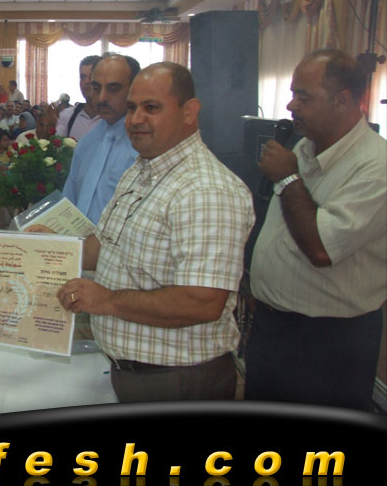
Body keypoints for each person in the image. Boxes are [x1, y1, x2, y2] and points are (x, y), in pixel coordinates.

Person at [47, 61, 254, 403]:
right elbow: (107, 244)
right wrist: (52, 249)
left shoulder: (206, 190)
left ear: (189, 112)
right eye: (132, 108)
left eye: (152, 108)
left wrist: (106, 300)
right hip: (136, 373)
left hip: (177, 380)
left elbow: (201, 302)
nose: (136, 119)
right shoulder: (142, 169)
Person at [244, 49, 387, 411]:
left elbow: (321, 249)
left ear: (343, 100)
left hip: (329, 343)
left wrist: (288, 177)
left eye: (303, 97)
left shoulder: (376, 166)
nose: (291, 105)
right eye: (293, 93)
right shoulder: (304, 147)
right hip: (273, 329)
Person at [62, 54, 139, 224]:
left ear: (134, 90)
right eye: (96, 88)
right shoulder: (86, 143)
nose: (102, 97)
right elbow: (69, 204)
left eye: (113, 88)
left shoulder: (142, 148)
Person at [56, 55, 103, 140]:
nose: (87, 81)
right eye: (82, 77)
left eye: (91, 76)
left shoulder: (114, 118)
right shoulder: (68, 116)